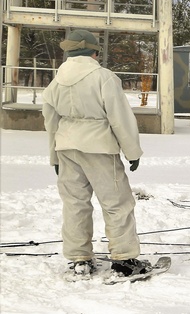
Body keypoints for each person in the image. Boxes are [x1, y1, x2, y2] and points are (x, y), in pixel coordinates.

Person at [42, 29, 151, 277]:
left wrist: (54, 156)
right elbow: (120, 118)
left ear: (69, 52)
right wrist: (132, 151)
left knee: (74, 204)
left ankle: (80, 259)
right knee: (116, 203)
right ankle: (124, 260)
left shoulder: (55, 81)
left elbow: (50, 122)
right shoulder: (104, 77)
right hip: (99, 146)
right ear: (94, 52)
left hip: (66, 146)